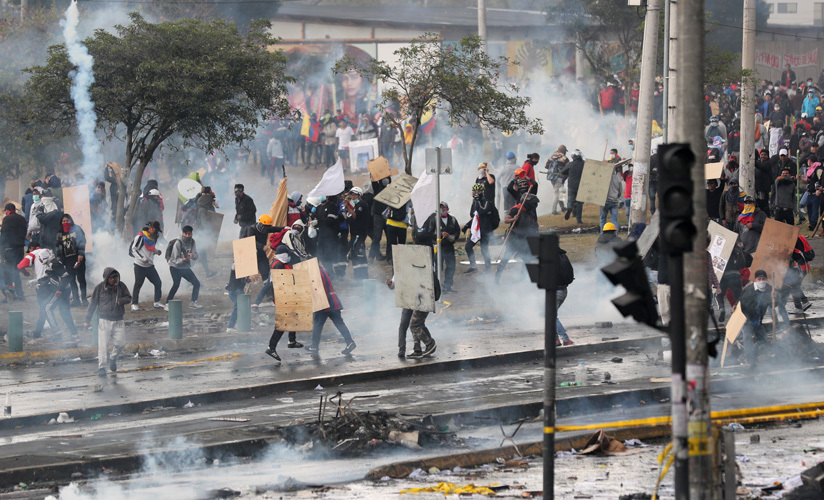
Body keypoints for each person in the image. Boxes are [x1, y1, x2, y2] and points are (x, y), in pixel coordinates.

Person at [85, 267, 132, 377]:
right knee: (103, 345)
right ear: (106, 278)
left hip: (118, 319)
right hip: (104, 320)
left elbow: (129, 297)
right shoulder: (99, 288)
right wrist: (87, 320)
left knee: (121, 343)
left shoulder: (121, 286)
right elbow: (92, 305)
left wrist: (121, 301)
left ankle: (113, 357)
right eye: (111, 278)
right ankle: (101, 367)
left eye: (115, 277)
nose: (113, 280)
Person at [305, 264, 356, 355]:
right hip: (333, 301)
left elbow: (315, 289)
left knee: (317, 324)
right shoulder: (321, 269)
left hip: (325, 303)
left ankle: (314, 346)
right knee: (339, 323)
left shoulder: (316, 273)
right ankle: (350, 342)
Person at [264, 245, 304, 361]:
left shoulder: (281, 263)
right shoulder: (278, 265)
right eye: (287, 254)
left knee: (293, 318)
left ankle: (292, 340)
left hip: (287, 297)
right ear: (283, 255)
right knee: (282, 324)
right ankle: (271, 347)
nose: (289, 256)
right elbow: (277, 284)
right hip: (283, 298)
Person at [386, 272, 437, 359]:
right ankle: (408, 349)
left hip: (419, 299)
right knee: (405, 325)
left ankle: (428, 344)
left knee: (415, 325)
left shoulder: (421, 265)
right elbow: (394, 284)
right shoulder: (402, 267)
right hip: (408, 300)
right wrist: (390, 284)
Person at [495, 191, 539, 282]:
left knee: (527, 258)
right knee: (507, 256)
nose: (534, 206)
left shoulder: (532, 210)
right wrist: (513, 219)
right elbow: (506, 220)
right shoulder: (516, 209)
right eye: (533, 204)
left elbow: (535, 222)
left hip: (525, 236)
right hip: (514, 236)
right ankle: (497, 277)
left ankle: (522, 279)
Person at [419, 202, 460, 292]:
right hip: (438, 246)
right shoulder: (434, 219)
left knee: (451, 266)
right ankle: (437, 287)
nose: (442, 209)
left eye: (444, 208)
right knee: (438, 267)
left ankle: (447, 286)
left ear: (447, 208)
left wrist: (453, 237)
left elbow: (457, 231)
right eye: (440, 207)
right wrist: (440, 234)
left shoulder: (452, 219)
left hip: (449, 247)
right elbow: (429, 233)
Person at [738, 269, 772, 367]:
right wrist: (736, 305)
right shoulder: (749, 290)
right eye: (759, 279)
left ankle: (756, 354)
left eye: (763, 279)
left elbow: (775, 303)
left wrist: (775, 297)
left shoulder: (769, 289)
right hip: (746, 319)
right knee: (747, 337)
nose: (761, 281)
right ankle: (749, 359)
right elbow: (740, 301)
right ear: (755, 280)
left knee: (764, 339)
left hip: (758, 320)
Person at [129, 221, 164, 311]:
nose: (156, 232)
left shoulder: (153, 237)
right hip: (139, 266)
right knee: (138, 284)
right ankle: (134, 304)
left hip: (150, 266)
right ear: (151, 228)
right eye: (155, 230)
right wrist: (142, 258)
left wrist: (157, 251)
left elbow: (150, 248)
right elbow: (134, 249)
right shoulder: (140, 237)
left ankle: (157, 302)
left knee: (158, 282)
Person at [165, 225, 202, 309]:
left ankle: (193, 302)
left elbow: (196, 255)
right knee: (176, 284)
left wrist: (192, 255)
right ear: (183, 234)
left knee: (196, 283)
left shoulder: (192, 242)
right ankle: (167, 303)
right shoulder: (178, 242)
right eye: (186, 234)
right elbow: (174, 259)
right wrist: (183, 259)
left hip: (185, 268)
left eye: (190, 234)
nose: (188, 236)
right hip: (175, 267)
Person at [55, 214, 87, 307]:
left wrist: (81, 254)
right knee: (72, 279)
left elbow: (82, 241)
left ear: (71, 221)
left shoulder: (77, 229)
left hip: (78, 258)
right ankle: (76, 299)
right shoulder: (60, 233)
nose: (65, 223)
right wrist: (60, 259)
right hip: (67, 260)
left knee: (81, 279)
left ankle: (84, 299)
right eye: (63, 221)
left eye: (67, 221)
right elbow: (58, 246)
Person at [463, 184, 496, 273]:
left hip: (485, 230)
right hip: (476, 230)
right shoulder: (474, 202)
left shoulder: (486, 202)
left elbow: (483, 211)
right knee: (468, 247)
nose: (476, 193)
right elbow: (473, 215)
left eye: (478, 191)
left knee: (484, 249)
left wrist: (478, 201)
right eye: (474, 191)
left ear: (482, 192)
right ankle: (473, 266)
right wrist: (467, 226)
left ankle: (488, 268)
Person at [242, 214, 286, 279]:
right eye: (265, 227)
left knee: (266, 272)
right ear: (261, 225)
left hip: (261, 254)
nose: (266, 230)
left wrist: (284, 228)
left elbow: (275, 228)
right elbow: (250, 241)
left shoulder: (267, 228)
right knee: (246, 275)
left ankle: (266, 286)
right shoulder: (251, 229)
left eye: (268, 228)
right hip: (250, 255)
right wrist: (262, 246)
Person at [0, 203, 27, 300]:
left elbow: (3, 236)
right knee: (17, 271)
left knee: (9, 272)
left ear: (7, 210)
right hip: (20, 249)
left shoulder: (6, 219)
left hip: (9, 249)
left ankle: (11, 294)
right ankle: (20, 294)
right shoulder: (22, 219)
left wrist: (1, 250)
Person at [343, 187, 369, 280]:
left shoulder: (362, 204)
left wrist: (347, 208)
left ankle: (362, 277)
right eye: (352, 195)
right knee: (355, 255)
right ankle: (358, 277)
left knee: (359, 255)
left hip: (359, 234)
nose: (353, 197)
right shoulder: (356, 206)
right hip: (354, 234)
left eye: (355, 195)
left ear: (359, 195)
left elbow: (355, 216)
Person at [561, 149, 585, 223]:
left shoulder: (570, 164)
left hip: (571, 186)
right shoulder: (584, 163)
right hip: (581, 186)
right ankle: (579, 220)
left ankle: (569, 208)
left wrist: (569, 172)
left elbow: (562, 172)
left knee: (570, 200)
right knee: (579, 204)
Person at [600, 161, 623, 233]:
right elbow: (620, 191)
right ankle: (615, 235)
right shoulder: (617, 178)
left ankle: (602, 234)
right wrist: (617, 197)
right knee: (614, 220)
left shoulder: (604, 177)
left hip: (605, 201)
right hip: (614, 201)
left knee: (603, 219)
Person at [546, 146, 569, 214]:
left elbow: (546, 166)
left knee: (560, 192)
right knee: (557, 194)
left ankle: (562, 207)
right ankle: (553, 211)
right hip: (559, 177)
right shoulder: (564, 158)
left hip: (551, 177)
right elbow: (568, 167)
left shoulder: (551, 156)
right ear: (564, 151)